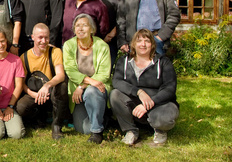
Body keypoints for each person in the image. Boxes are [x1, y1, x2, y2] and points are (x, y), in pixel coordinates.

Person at [110, 29, 179, 146]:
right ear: (133, 44)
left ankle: (160, 130)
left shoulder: (163, 62)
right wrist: (138, 92)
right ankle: (131, 130)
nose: (143, 44)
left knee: (166, 117)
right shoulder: (124, 61)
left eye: (147, 41)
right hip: (134, 102)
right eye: (139, 41)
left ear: (152, 45)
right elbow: (117, 81)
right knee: (115, 95)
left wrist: (149, 103)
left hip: (158, 103)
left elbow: (170, 88)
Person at [63, 14, 111, 144]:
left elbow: (104, 74)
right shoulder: (68, 45)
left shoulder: (102, 46)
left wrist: (83, 86)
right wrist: (87, 83)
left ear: (92, 29)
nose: (81, 28)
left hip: (97, 88)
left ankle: (97, 132)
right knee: (83, 129)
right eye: (77, 26)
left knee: (91, 92)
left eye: (85, 25)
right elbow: (70, 71)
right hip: (77, 92)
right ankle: (102, 119)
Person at [17, 23, 68, 140]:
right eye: (40, 37)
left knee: (63, 87)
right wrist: (32, 94)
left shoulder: (55, 52)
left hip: (51, 92)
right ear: (33, 37)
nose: (43, 41)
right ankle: (37, 118)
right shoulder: (24, 57)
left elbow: (61, 75)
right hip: (35, 93)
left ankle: (57, 126)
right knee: (21, 107)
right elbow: (22, 83)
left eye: (46, 37)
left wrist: (47, 86)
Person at [91, 0, 121, 69]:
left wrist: (112, 34)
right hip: (92, 40)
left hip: (111, 40)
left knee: (107, 69)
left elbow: (122, 15)